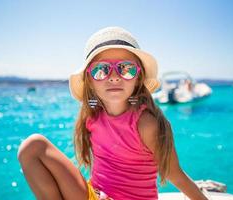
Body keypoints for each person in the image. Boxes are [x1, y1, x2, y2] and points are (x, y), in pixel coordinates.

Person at [17, 27, 209, 200]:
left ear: (138, 77)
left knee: (35, 145)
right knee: (31, 147)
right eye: (101, 70)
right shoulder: (92, 117)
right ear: (90, 80)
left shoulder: (146, 124)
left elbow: (174, 174)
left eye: (126, 69)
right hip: (96, 195)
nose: (115, 76)